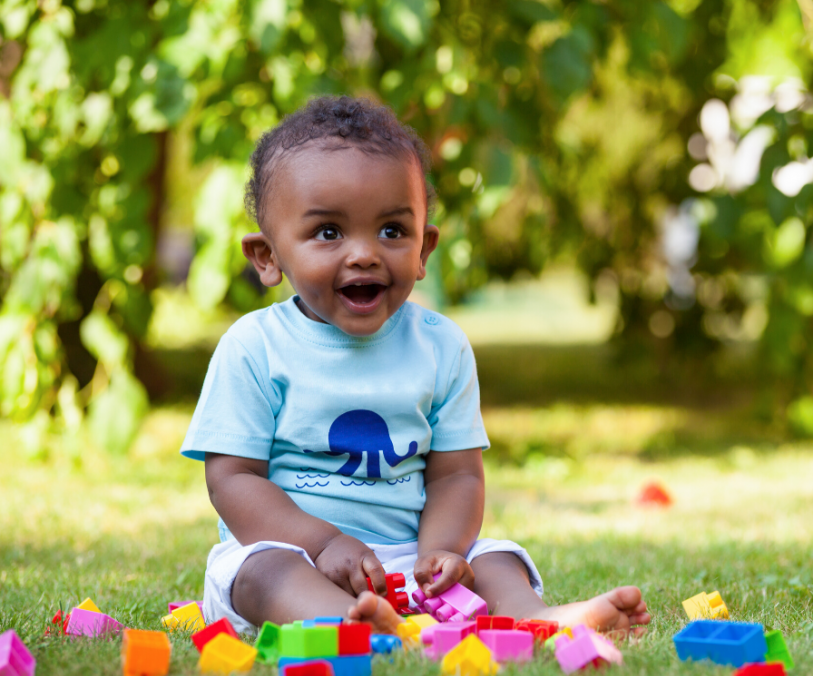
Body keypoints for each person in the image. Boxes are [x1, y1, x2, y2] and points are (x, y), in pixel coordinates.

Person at [180, 95, 650, 636]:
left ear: (424, 248)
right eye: (328, 232)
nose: (364, 254)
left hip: (407, 560)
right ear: (268, 257)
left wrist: (441, 553)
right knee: (262, 572)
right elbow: (233, 479)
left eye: (392, 231)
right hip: (297, 556)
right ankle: (350, 625)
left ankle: (541, 622)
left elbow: (456, 475)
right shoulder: (254, 346)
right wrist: (324, 542)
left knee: (497, 558)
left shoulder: (440, 347)